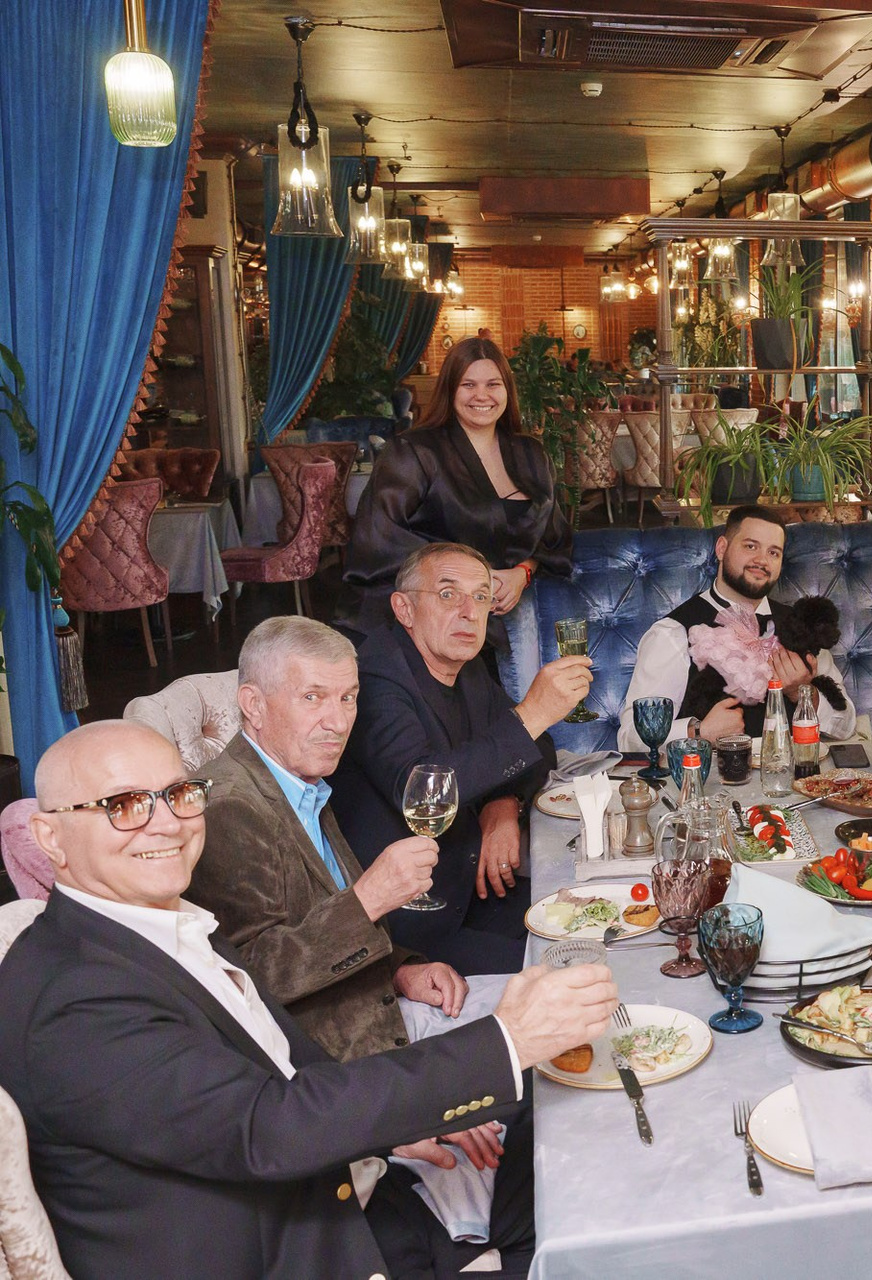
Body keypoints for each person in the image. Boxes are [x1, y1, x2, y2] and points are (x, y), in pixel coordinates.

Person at [0, 720, 619, 1279]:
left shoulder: (158, 924)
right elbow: (266, 1128)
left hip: (356, 1200)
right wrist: (506, 1040)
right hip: (301, 1253)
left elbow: (288, 1070)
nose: (167, 822)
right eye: (124, 806)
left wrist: (404, 1127)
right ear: (50, 836)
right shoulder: (71, 999)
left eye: (179, 794)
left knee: (577, 1137)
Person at [193, 616, 536, 1273]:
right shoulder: (227, 807)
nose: (338, 720)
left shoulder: (301, 784)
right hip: (337, 1064)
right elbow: (251, 979)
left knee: (551, 1010)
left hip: (388, 1008)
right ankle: (496, 1237)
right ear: (253, 704)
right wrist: (370, 899)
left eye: (349, 697)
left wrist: (403, 966)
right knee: (531, 1082)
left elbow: (321, 925)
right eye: (313, 697)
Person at [333, 543, 588, 975]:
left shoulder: (465, 668)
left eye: (481, 596)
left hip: (472, 892)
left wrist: (503, 804)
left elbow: (538, 748)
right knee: (566, 971)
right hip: (408, 931)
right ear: (404, 609)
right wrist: (532, 713)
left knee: (593, 932)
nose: (469, 612)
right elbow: (423, 794)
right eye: (448, 594)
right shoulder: (374, 680)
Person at [341, 335, 572, 669]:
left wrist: (522, 572)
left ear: (508, 390)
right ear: (450, 390)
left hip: (513, 623)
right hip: (429, 628)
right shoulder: (413, 452)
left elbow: (554, 536)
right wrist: (476, 578)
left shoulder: (532, 454)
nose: (482, 395)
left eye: (493, 384)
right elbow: (377, 537)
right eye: (468, 385)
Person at [616, 504, 857, 748]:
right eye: (750, 546)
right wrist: (698, 731)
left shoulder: (803, 627)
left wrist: (802, 694)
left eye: (773, 553)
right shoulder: (673, 633)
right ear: (722, 548)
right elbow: (630, 738)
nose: (762, 560)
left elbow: (845, 726)